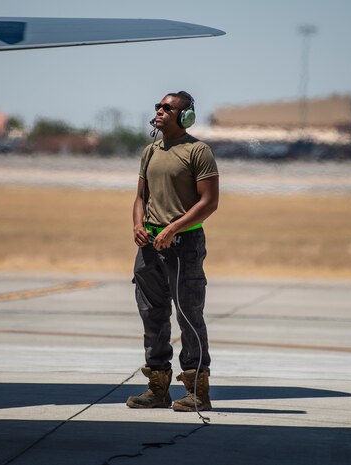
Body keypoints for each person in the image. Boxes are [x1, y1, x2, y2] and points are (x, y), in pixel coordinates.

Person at [126, 91, 219, 412]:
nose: (160, 111)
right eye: (158, 107)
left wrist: (172, 229)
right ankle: (158, 388)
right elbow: (141, 197)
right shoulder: (150, 151)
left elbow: (209, 202)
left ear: (185, 116)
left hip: (184, 246)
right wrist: (138, 225)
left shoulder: (198, 151)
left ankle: (197, 390)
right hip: (149, 246)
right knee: (152, 316)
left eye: (168, 108)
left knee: (189, 315)